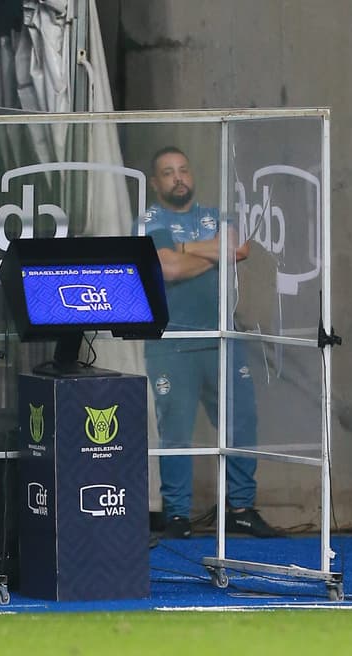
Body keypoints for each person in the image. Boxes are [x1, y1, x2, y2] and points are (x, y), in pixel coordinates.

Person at [143, 146, 279, 539]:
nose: (178, 177)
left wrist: (186, 250)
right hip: (172, 342)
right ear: (156, 183)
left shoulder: (217, 216)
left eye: (183, 169)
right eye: (168, 173)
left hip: (221, 337)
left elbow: (238, 248)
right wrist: (213, 253)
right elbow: (167, 269)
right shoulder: (151, 218)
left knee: (241, 422)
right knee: (176, 430)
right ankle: (177, 516)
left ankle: (240, 508)